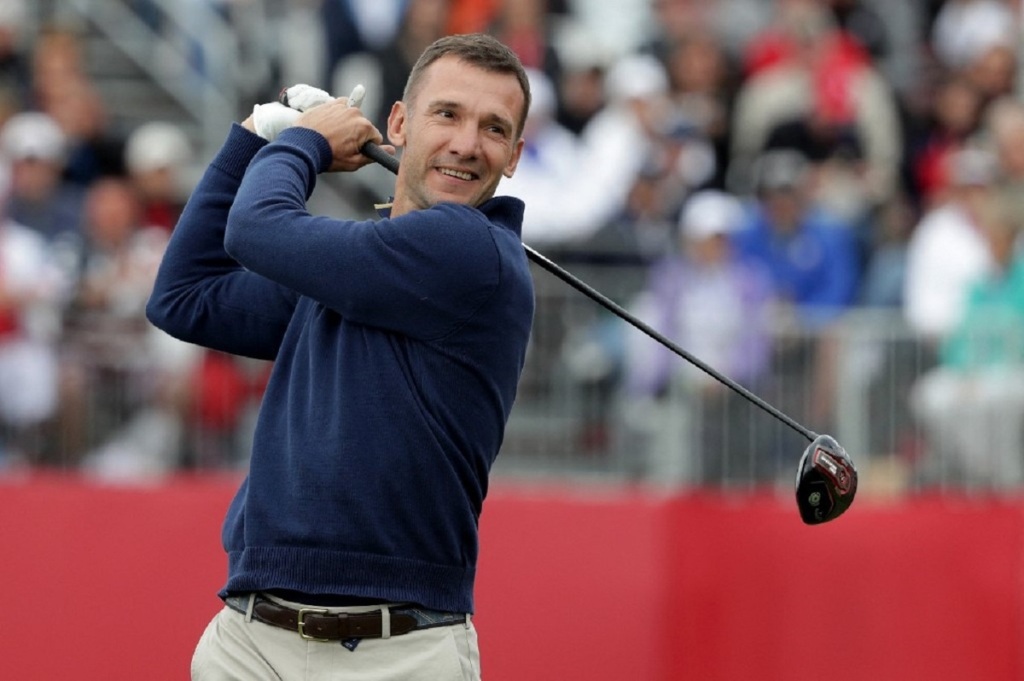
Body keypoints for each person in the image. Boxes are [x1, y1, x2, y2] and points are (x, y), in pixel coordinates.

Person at [146, 33, 533, 680]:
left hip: (399, 652)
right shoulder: (355, 265)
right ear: (399, 124)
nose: (468, 143)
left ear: (515, 156)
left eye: (494, 128)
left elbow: (256, 228)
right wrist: (252, 135)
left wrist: (300, 142)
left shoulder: (473, 253)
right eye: (448, 114)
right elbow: (184, 296)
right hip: (250, 639)